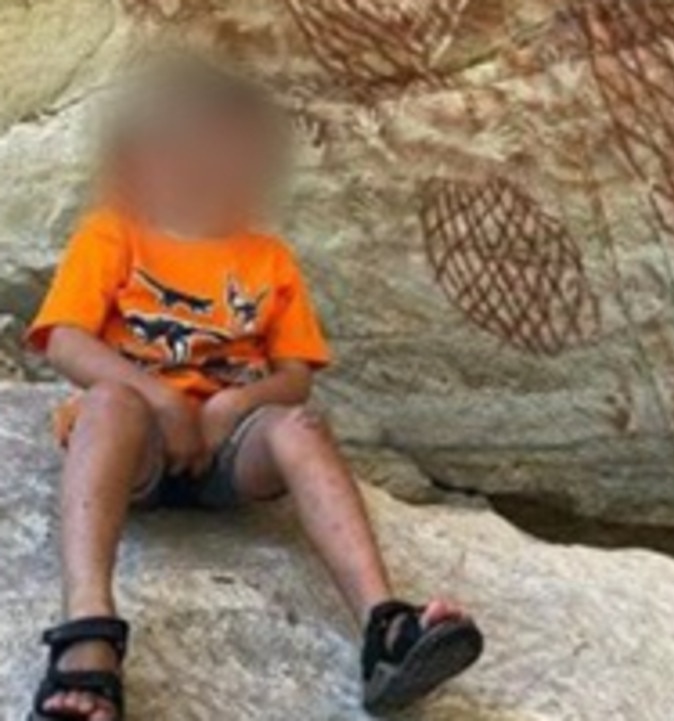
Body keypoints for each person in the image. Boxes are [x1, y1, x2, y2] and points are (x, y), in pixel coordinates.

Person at [24, 58, 483, 721]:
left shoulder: (267, 259)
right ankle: (89, 631)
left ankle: (384, 624)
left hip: (229, 451)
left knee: (303, 428)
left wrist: (233, 404)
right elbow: (66, 340)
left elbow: (294, 375)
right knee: (108, 403)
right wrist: (160, 399)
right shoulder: (112, 232)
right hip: (138, 448)